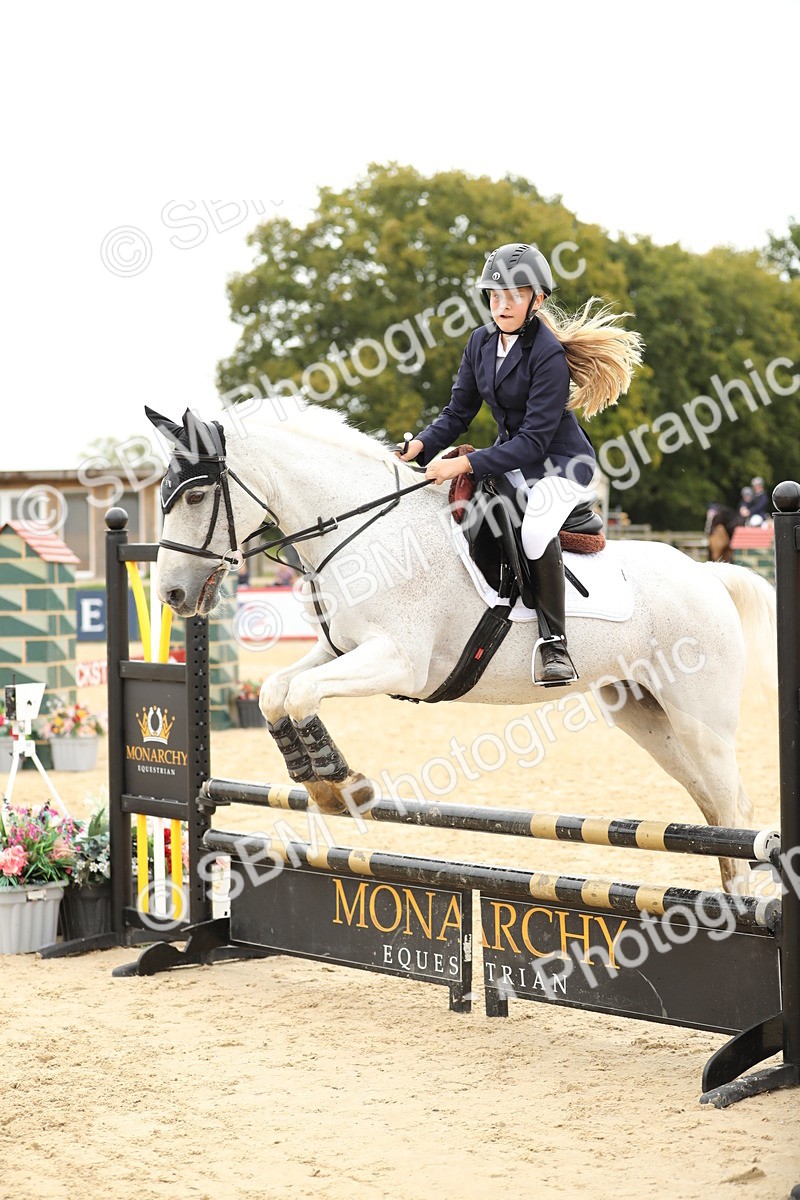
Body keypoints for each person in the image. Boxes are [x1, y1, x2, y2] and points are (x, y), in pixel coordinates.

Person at [398, 242, 643, 684]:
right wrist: (418, 446)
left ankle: (555, 645)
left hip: (560, 464)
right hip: (513, 457)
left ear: (537, 299)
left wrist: (463, 465)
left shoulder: (548, 354)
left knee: (533, 529)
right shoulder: (480, 341)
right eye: (494, 295)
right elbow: (458, 413)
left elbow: (533, 442)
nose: (502, 304)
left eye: (514, 294)